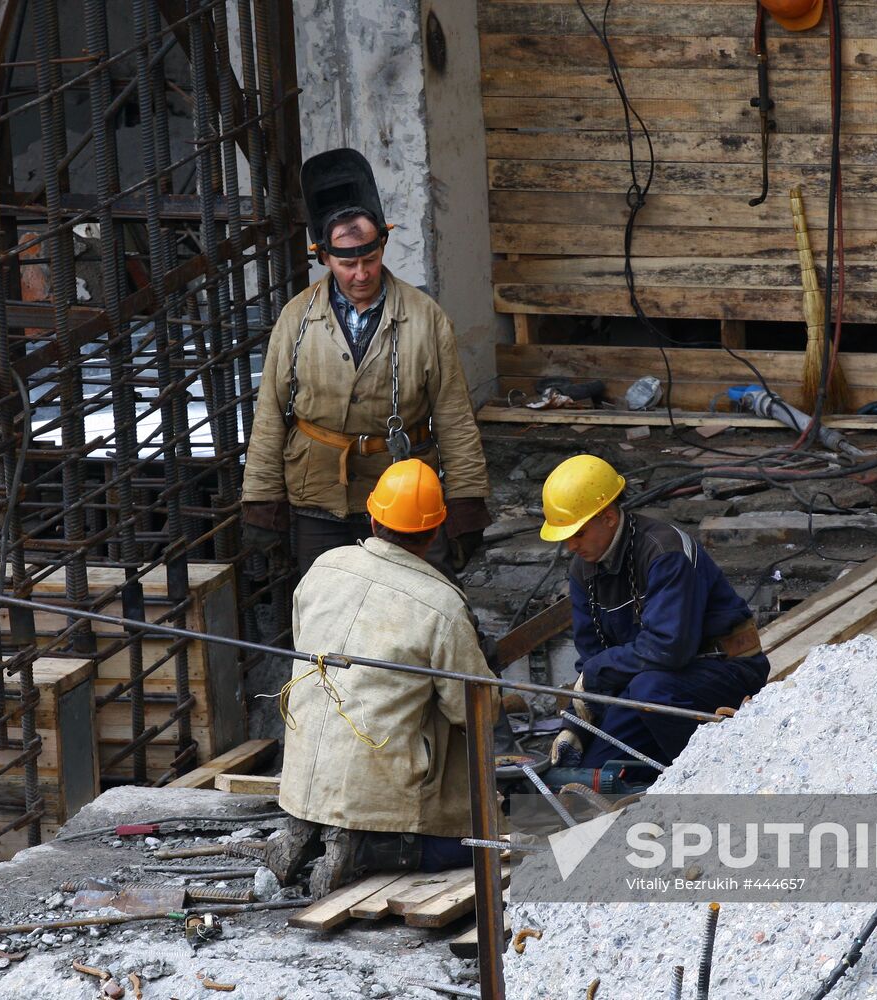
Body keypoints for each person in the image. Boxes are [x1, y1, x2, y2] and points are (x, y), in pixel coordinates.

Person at [245, 459, 499, 898]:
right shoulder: (442, 605)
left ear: (373, 518)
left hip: (304, 781)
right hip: (382, 796)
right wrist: (501, 698)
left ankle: (308, 829)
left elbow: (306, 646)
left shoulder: (324, 567)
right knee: (478, 841)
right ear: (436, 530)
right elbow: (471, 711)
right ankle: (369, 848)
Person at [239, 147, 491, 580]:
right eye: (348, 263)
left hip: (402, 491)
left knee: (416, 601)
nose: (361, 274)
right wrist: (262, 500)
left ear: (384, 244)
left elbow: (454, 417)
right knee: (327, 607)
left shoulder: (425, 317)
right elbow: (269, 415)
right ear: (324, 258)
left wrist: (467, 502)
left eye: (370, 260)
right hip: (317, 493)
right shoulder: (296, 319)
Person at [539, 455, 769, 769]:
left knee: (650, 690)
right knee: (591, 771)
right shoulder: (583, 570)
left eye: (577, 534)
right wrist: (575, 725)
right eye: (566, 538)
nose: (571, 547)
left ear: (608, 517)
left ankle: (710, 773)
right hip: (648, 685)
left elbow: (668, 648)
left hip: (724, 668)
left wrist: (596, 673)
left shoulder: (664, 551)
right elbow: (592, 665)